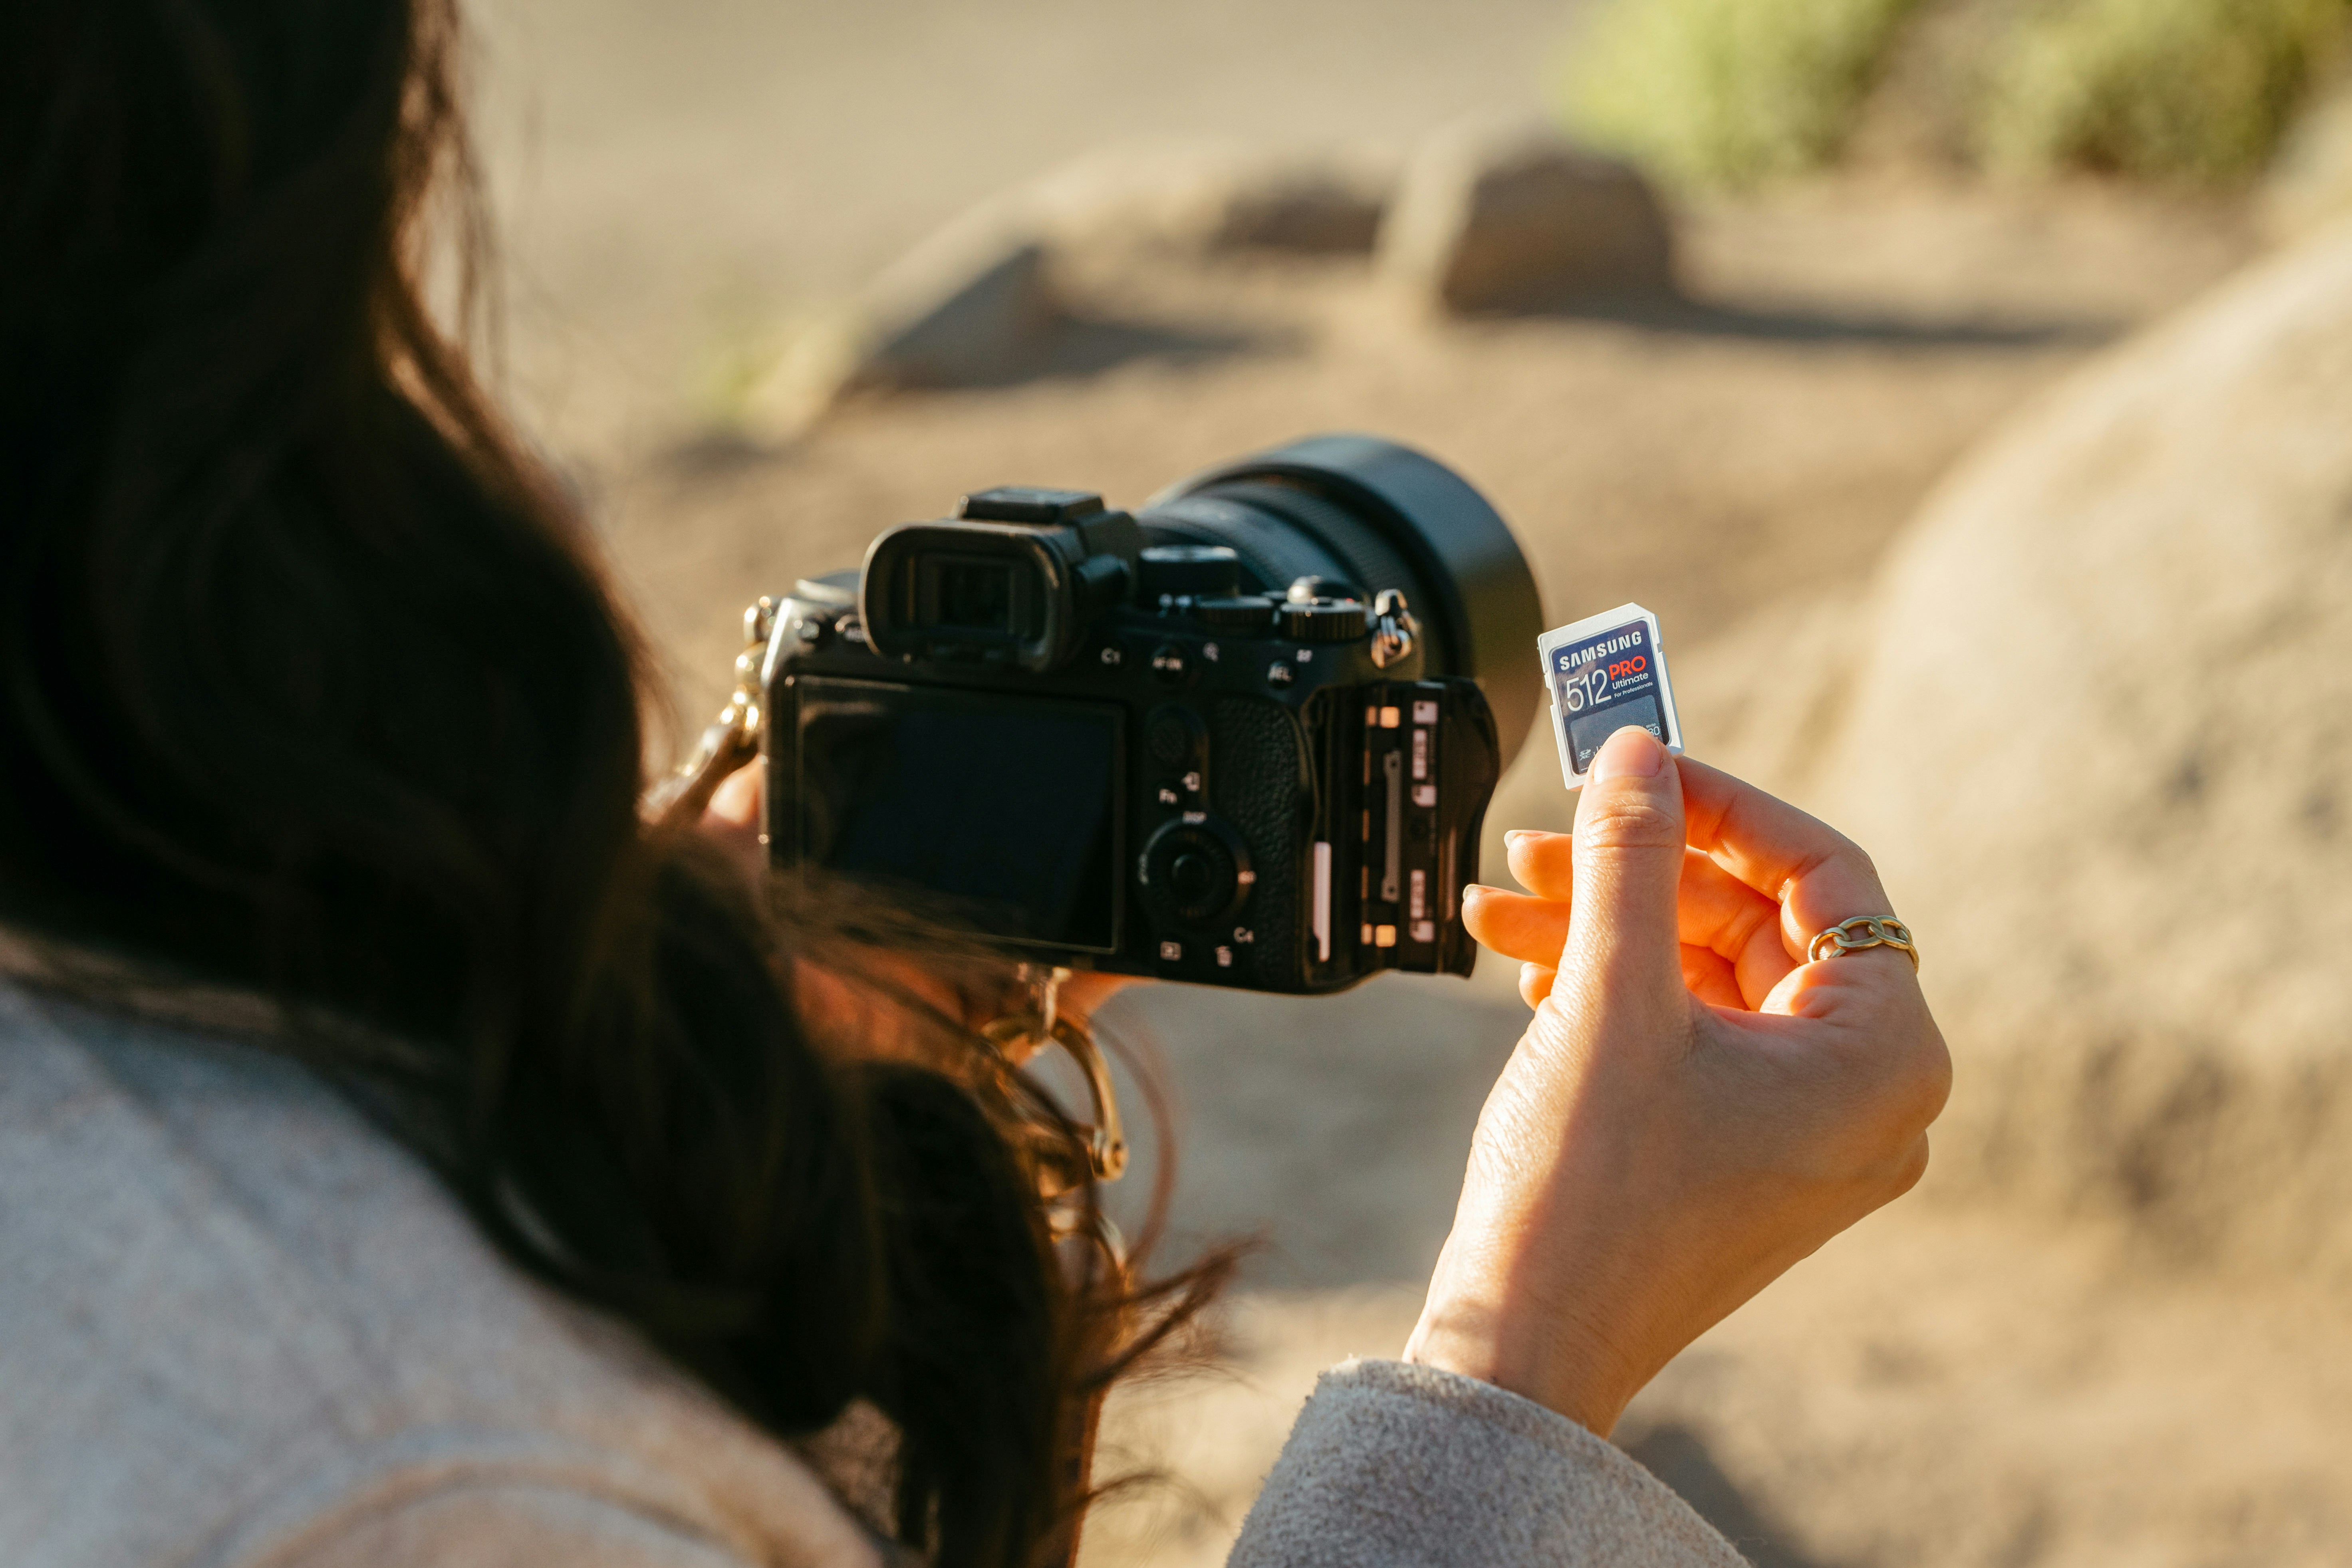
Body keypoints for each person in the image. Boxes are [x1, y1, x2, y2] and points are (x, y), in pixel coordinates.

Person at [0, 2, 1951, 1565]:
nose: (513, 479)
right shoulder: (419, 1482)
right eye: (383, 310)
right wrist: (1527, 1346)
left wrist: (790, 1147)